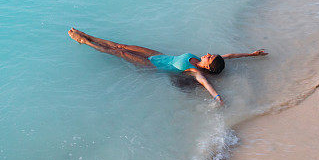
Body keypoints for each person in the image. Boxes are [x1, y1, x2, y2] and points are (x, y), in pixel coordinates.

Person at [68, 28, 267, 104]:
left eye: (209, 57)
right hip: (157, 55)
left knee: (120, 53)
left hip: (150, 66)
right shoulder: (199, 59)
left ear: (207, 66)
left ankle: (86, 42)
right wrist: (252, 54)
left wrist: (218, 99)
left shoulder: (195, 71)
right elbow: (230, 56)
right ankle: (88, 36)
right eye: (210, 54)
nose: (207, 54)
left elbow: (206, 84)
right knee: (122, 45)